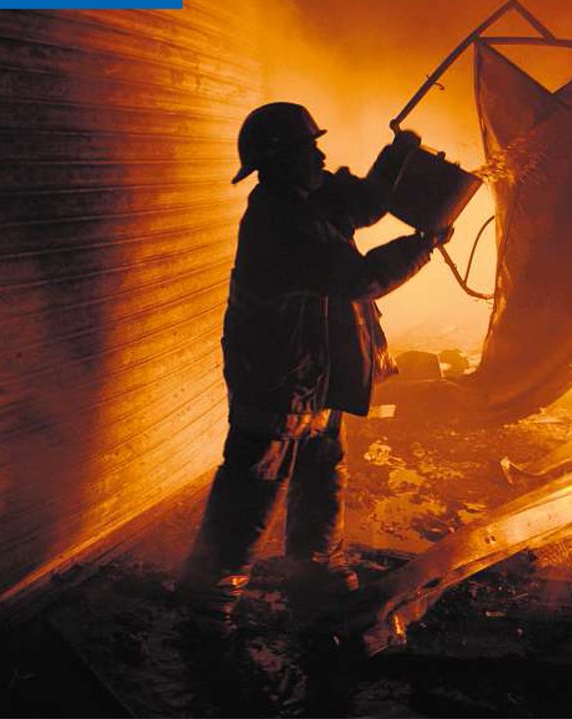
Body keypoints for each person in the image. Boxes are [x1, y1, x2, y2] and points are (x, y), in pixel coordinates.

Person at [176, 102, 449, 636]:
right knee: (254, 481)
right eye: (308, 147)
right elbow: (361, 279)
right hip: (277, 379)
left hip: (309, 372)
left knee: (322, 470)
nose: (320, 153)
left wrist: (398, 157)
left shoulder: (304, 197)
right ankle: (207, 598)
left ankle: (315, 576)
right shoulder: (280, 220)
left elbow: (364, 206)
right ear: (280, 160)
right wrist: (422, 246)